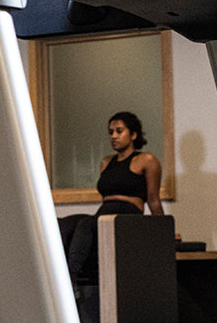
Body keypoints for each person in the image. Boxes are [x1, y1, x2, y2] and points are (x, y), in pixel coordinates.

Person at [61, 111, 163, 284]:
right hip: (104, 214)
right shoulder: (106, 162)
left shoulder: (146, 160)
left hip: (128, 214)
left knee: (86, 224)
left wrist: (162, 232)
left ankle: (69, 281)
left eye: (119, 131)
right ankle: (57, 276)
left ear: (133, 134)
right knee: (64, 224)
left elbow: (153, 199)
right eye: (111, 132)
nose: (114, 136)